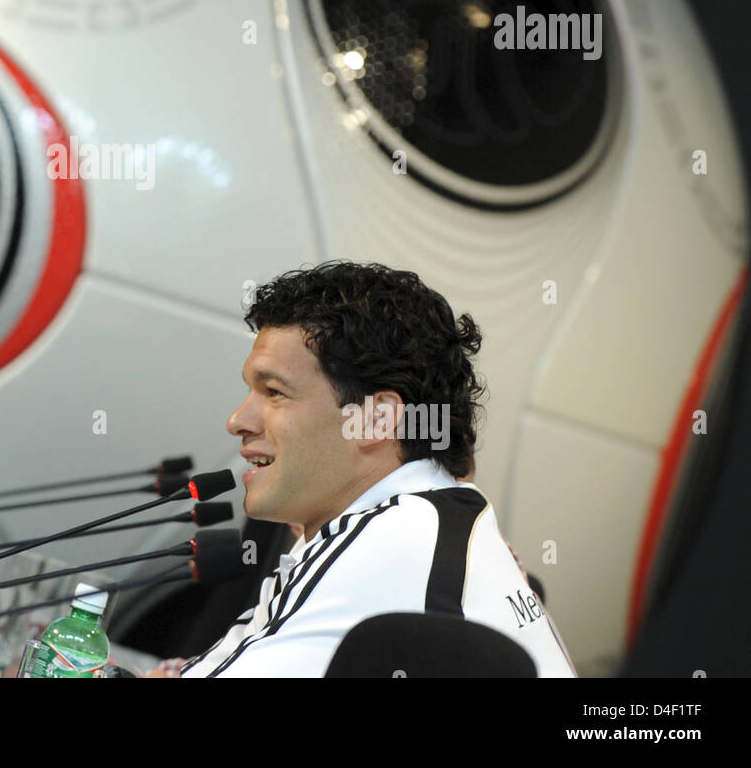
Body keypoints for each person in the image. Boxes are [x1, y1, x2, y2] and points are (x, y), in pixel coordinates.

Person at [154, 260, 576, 678]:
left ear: (375, 420)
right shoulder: (430, 517)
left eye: (275, 392)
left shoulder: (393, 540)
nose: (238, 421)